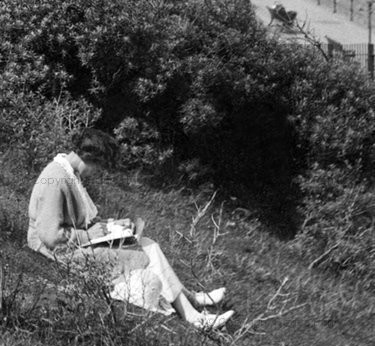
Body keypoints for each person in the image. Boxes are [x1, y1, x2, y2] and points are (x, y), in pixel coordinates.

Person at [27, 129, 234, 330]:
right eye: (100, 167)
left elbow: (80, 220)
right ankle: (194, 315)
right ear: (92, 159)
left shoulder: (70, 173)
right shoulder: (55, 178)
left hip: (73, 242)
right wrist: (89, 235)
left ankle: (191, 302)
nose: (98, 172)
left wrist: (113, 226)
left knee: (149, 244)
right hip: (58, 251)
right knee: (145, 254)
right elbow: (50, 235)